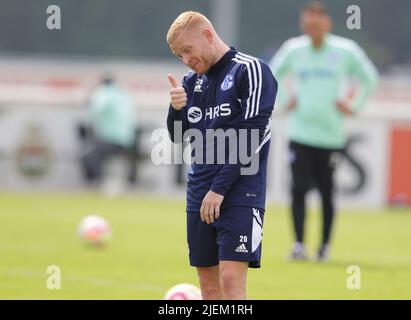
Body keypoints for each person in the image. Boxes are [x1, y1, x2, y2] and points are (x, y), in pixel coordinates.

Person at [166, 11, 277, 299]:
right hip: (200, 194)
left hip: (240, 192)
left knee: (230, 280)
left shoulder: (250, 70)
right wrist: (176, 109)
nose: (186, 61)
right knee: (209, 287)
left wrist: (219, 188)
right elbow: (179, 137)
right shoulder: (191, 82)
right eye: (180, 56)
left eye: (187, 51)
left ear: (207, 35)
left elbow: (252, 135)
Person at [269, 1, 378, 262]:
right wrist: (285, 100)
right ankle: (298, 245)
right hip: (300, 133)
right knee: (298, 190)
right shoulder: (294, 50)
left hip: (330, 136)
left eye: (318, 24)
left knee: (327, 192)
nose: (313, 29)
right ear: (303, 25)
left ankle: (324, 248)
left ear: (327, 24)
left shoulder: (344, 50)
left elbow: (370, 77)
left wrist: (353, 105)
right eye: (309, 24)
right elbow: (271, 73)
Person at [81, 75, 138, 185]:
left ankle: (100, 182)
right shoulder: (123, 94)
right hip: (128, 141)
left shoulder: (103, 93)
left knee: (88, 155)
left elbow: (94, 111)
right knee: (95, 152)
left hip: (111, 140)